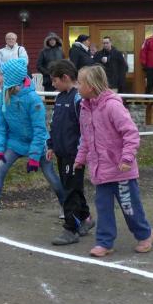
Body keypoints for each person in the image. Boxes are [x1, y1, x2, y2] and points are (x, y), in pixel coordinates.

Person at [75, 65, 153, 257]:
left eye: (80, 82)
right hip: (100, 171)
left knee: (130, 207)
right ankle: (104, 242)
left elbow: (131, 133)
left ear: (91, 86)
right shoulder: (85, 109)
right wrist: (80, 158)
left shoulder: (112, 106)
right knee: (103, 209)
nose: (77, 86)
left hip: (121, 171)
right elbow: (86, 138)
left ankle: (145, 234)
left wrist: (127, 158)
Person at [0, 57, 65, 225]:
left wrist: (34, 156)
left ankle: (65, 205)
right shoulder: (3, 96)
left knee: (50, 175)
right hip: (15, 143)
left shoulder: (33, 100)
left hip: (37, 143)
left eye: (1, 74)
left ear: (11, 78)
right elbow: (1, 127)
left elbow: (39, 131)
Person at [47, 60, 94, 245]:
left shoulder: (78, 99)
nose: (53, 84)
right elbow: (55, 123)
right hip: (61, 152)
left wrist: (81, 153)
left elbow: (85, 128)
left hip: (74, 154)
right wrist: (51, 145)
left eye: (55, 80)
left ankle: (71, 229)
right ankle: (85, 218)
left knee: (70, 191)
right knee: (73, 187)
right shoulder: (59, 98)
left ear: (65, 77)